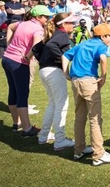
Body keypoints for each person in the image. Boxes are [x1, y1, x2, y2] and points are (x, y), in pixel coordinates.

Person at [62, 23, 110, 166]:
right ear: (103, 36)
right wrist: (103, 77)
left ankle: (79, 150)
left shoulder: (82, 44)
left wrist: (66, 73)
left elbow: (65, 56)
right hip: (89, 83)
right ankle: (98, 154)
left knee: (80, 117)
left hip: (76, 82)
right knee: (95, 119)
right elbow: (103, 58)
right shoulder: (101, 45)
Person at [2, 5, 53, 137]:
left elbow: (9, 27)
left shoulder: (22, 23)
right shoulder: (38, 29)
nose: (47, 19)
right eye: (46, 17)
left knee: (13, 91)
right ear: (38, 17)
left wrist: (9, 44)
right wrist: (28, 57)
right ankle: (27, 128)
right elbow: (37, 46)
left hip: (7, 58)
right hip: (19, 63)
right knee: (22, 94)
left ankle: (16, 123)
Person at [32, 13, 79, 150]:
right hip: (54, 72)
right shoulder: (62, 35)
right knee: (61, 105)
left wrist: (44, 60)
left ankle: (44, 136)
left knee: (53, 104)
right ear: (64, 24)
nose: (74, 25)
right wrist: (63, 58)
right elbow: (51, 46)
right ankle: (60, 140)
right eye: (71, 23)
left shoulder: (54, 34)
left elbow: (36, 49)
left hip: (44, 71)